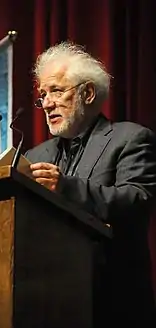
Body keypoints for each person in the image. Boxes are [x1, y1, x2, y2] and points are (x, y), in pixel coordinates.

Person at [25, 41, 156, 326]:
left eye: (56, 91)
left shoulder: (129, 139)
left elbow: (137, 199)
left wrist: (66, 188)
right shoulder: (34, 157)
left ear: (88, 93)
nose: (46, 103)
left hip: (112, 301)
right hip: (46, 303)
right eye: (43, 95)